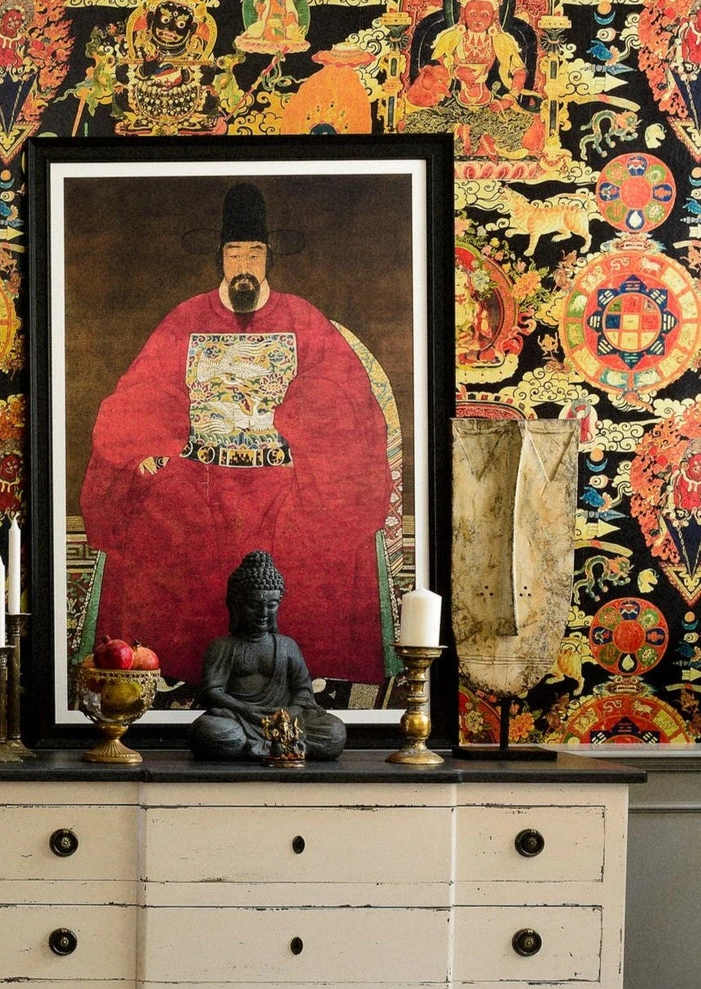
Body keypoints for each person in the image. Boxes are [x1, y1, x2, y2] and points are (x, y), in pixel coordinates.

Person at [80, 181, 392, 689]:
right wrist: (148, 449)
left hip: (280, 484)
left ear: (269, 259)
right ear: (219, 259)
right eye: (234, 254)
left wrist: (303, 434)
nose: (244, 265)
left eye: (254, 254)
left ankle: (306, 676)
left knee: (319, 545)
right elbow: (145, 391)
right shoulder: (186, 318)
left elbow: (345, 398)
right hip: (200, 479)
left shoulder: (302, 319)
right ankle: (169, 674)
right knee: (157, 533)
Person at [188, 550, 346, 760]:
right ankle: (284, 747)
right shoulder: (223, 646)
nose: (263, 613)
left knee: (334, 732)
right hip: (239, 719)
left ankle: (274, 745)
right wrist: (245, 710)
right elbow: (212, 692)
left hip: (285, 720)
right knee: (211, 731)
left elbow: (303, 690)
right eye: (254, 605)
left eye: (271, 605)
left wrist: (291, 711)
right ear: (236, 606)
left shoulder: (287, 646)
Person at [403, 0, 543, 158]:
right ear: (463, 14)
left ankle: (476, 135)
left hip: (490, 104)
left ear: (494, 16)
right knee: (414, 123)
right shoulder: (450, 38)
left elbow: (519, 72)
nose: (478, 20)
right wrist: (455, 72)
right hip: (455, 105)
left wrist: (509, 99)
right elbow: (435, 70)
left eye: (484, 15)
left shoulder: (502, 40)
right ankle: (466, 132)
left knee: (533, 132)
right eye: (473, 14)